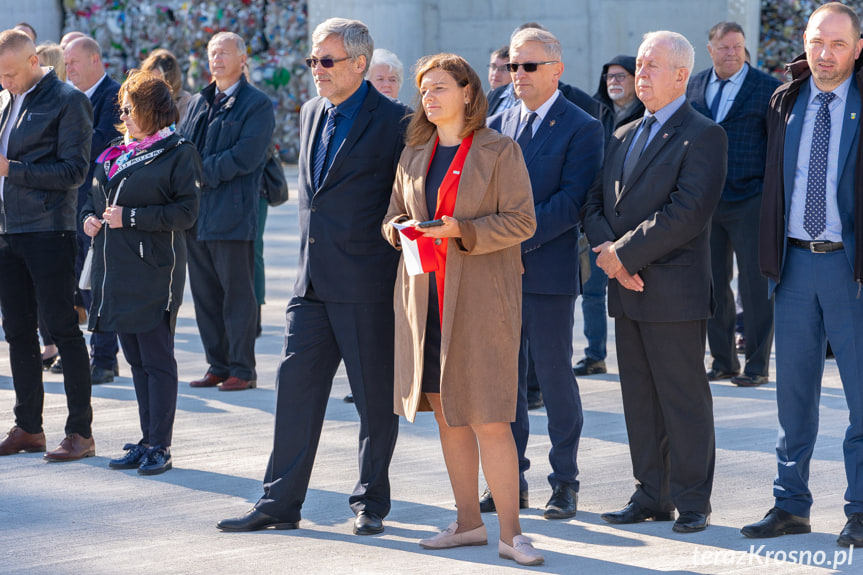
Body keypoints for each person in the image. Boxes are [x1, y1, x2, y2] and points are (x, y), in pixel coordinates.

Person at [217, 18, 406, 536]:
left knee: (374, 403)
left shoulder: (396, 121)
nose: (317, 71)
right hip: (310, 286)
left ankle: (371, 503)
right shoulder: (308, 113)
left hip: (366, 285)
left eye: (327, 61)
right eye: (312, 61)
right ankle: (279, 502)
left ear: (359, 64)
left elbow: (405, 202)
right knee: (293, 394)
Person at [384, 52, 542, 566]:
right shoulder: (414, 151)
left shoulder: (500, 150)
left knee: (490, 418)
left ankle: (513, 534)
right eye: (424, 90)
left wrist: (462, 231)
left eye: (440, 88)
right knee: (449, 417)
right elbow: (392, 218)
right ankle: (468, 524)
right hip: (424, 302)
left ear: (468, 92)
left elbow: (522, 222)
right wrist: (401, 230)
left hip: (479, 305)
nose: (429, 98)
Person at [583, 30, 727, 534]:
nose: (638, 74)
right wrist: (612, 257)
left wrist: (622, 255)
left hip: (673, 291)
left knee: (682, 400)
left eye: (650, 66)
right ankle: (651, 494)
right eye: (638, 65)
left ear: (682, 75)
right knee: (639, 399)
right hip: (627, 288)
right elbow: (596, 203)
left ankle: (692, 501)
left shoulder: (704, 134)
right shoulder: (623, 133)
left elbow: (686, 213)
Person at [743, 2, 863, 547]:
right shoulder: (785, 100)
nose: (826, 53)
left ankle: (860, 509)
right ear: (805, 42)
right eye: (818, 41)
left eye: (838, 43)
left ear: (858, 48)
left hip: (850, 268)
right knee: (792, 396)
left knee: (861, 397)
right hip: (792, 267)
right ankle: (790, 504)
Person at [484, 27, 603, 521]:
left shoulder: (582, 125)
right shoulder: (496, 122)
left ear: (556, 69)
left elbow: (572, 201)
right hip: (496, 273)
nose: (519, 75)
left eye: (529, 66)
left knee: (554, 379)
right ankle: (511, 482)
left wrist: (512, 237)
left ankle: (565, 482)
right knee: (505, 384)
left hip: (547, 270)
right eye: (513, 66)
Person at [81, 71, 200, 475]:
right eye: (123, 109)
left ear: (153, 111)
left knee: (157, 359)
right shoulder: (118, 150)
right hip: (115, 270)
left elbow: (186, 212)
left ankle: (160, 446)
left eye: (131, 109)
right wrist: (89, 218)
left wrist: (129, 217)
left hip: (154, 271)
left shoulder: (179, 151)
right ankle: (146, 439)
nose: (125, 115)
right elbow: (92, 194)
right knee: (134, 358)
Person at [0, 30, 95, 461]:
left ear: (35, 61)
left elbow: (74, 171)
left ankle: (80, 433)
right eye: (0, 76)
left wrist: (11, 169)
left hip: (48, 230)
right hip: (8, 232)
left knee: (62, 330)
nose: (6, 83)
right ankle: (28, 427)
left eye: (11, 74)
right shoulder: (7, 100)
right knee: (18, 333)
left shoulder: (68, 100)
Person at [177, 32, 274, 392]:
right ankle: (217, 365)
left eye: (224, 52)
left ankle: (242, 369)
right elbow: (182, 147)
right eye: (212, 53)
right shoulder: (199, 101)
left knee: (237, 295)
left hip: (232, 215)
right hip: (196, 216)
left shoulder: (257, 104)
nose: (216, 58)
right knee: (205, 295)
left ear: (242, 58)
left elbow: (247, 157)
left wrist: (198, 175)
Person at [687, 22, 780, 388]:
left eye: (737, 47)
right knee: (712, 283)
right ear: (710, 49)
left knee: (755, 287)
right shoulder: (693, 86)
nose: (731, 53)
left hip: (751, 200)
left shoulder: (768, 89)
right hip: (707, 202)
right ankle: (723, 360)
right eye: (724, 47)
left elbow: (776, 148)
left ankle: (757, 365)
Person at [575, 55, 644, 378]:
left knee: (635, 287)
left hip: (635, 220)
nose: (613, 82)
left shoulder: (648, 116)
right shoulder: (595, 115)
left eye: (621, 76)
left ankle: (641, 355)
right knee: (591, 289)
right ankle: (594, 354)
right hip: (596, 215)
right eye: (609, 77)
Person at [64, 36, 123, 384]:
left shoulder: (114, 97)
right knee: (80, 285)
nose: (67, 68)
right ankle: (90, 354)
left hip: (99, 206)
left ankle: (104, 358)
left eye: (73, 62)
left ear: (95, 60)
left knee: (98, 284)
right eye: (66, 63)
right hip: (69, 205)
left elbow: (103, 145)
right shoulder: (70, 97)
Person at [141, 48, 192, 118]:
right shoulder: (142, 101)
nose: (153, 85)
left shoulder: (185, 102)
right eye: (150, 80)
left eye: (159, 81)